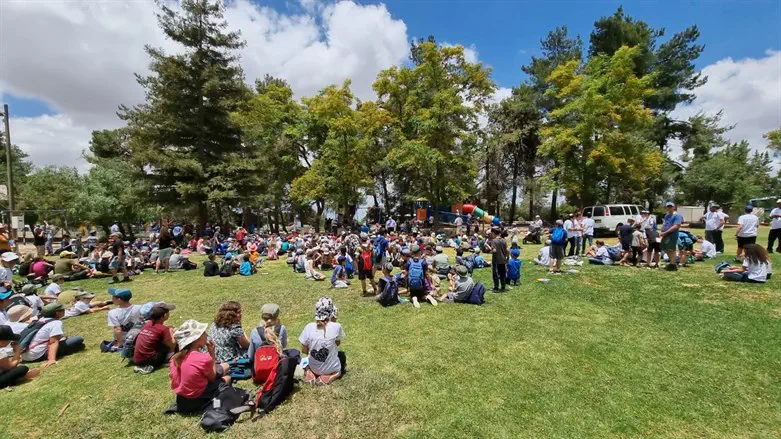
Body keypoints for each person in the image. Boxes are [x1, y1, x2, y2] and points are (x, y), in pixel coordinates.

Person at [169, 319, 233, 414]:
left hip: (182, 399)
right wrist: (212, 353)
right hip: (197, 398)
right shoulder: (203, 358)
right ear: (196, 339)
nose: (206, 335)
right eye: (203, 333)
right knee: (228, 378)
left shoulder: (174, 358)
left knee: (225, 366)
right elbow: (212, 378)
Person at [21, 303, 85, 366]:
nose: (64, 311)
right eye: (62, 310)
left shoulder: (40, 320)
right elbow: (53, 342)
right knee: (78, 339)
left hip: (25, 355)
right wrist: (51, 359)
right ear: (57, 313)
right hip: (36, 355)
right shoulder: (55, 323)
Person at [299, 297, 344, 385]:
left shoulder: (309, 327)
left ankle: (309, 372)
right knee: (339, 369)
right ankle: (331, 375)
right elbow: (337, 343)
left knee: (307, 362)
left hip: (314, 367)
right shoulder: (336, 327)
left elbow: (304, 350)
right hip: (330, 369)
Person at [133, 303, 177, 374]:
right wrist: (172, 331)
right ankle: (167, 360)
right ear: (165, 315)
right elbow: (172, 344)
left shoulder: (147, 324)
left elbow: (156, 330)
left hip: (136, 359)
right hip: (148, 360)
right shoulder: (163, 329)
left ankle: (142, 365)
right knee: (169, 345)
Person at [404, 245, 437, 309]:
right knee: (422, 295)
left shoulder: (409, 261)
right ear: (419, 252)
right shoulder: (423, 262)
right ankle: (428, 297)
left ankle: (414, 299)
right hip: (421, 284)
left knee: (413, 295)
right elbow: (427, 274)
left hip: (411, 283)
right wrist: (430, 284)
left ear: (412, 252)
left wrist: (406, 285)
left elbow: (406, 274)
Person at [660, 201, 683, 271]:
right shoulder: (666, 215)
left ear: (674, 207)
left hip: (672, 234)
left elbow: (676, 226)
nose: (669, 208)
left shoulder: (677, 215)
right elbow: (665, 223)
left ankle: (672, 265)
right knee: (664, 248)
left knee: (671, 249)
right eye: (668, 206)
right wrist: (662, 231)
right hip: (665, 234)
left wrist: (665, 232)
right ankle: (673, 263)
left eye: (671, 206)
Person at [486, 228, 508, 292]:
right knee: (502, 274)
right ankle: (503, 287)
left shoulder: (494, 241)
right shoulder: (503, 240)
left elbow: (494, 250)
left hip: (496, 260)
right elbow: (507, 250)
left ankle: (496, 288)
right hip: (503, 260)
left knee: (495, 274)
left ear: (493, 233)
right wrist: (508, 258)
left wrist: (489, 249)